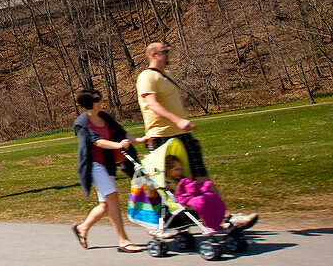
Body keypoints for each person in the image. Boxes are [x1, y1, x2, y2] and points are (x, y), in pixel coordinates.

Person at [136, 42, 258, 232]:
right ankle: (159, 225)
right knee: (163, 185)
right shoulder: (147, 76)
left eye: (168, 51)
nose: (168, 54)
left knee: (201, 177)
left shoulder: (166, 76)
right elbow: (151, 104)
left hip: (182, 135)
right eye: (164, 52)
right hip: (162, 137)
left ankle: (224, 217)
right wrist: (177, 120)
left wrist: (181, 124)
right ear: (153, 54)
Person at [71, 89, 143, 253]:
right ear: (88, 103)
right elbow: (96, 142)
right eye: (97, 99)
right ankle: (123, 241)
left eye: (100, 98)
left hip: (108, 165)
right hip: (94, 166)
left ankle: (82, 228)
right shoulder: (81, 124)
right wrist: (117, 145)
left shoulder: (105, 117)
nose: (100, 101)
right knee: (113, 199)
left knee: (104, 205)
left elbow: (122, 134)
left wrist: (140, 140)